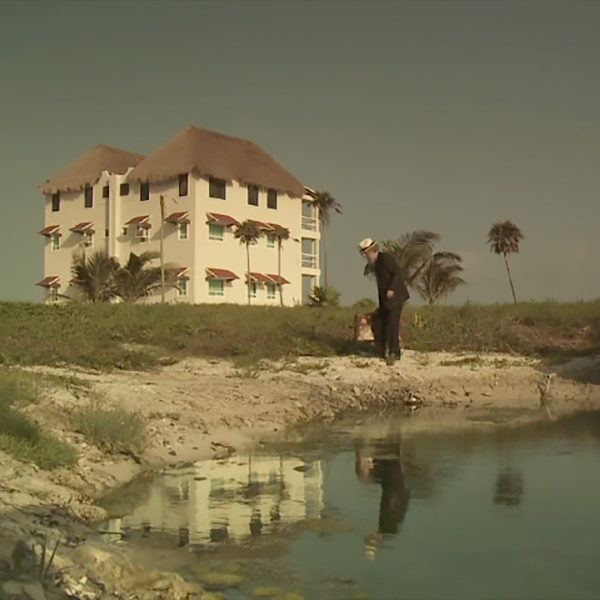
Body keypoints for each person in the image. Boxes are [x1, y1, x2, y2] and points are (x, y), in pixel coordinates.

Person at [358, 238, 409, 365]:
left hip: (396, 298)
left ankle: (394, 353)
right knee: (380, 323)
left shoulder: (385, 258)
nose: (365, 257)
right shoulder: (376, 263)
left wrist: (392, 288)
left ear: (371, 251)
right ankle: (381, 350)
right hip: (386, 301)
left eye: (366, 253)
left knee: (392, 325)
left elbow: (397, 273)